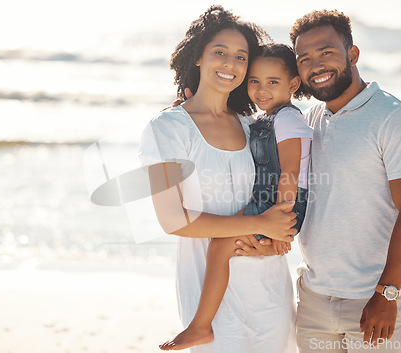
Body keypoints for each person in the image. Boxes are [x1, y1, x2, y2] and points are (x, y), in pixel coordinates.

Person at [267, 9, 401, 353]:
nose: (316, 65)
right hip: (313, 298)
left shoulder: (396, 119)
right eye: (304, 58)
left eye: (326, 52)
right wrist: (191, 110)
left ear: (352, 54)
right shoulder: (304, 121)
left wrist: (387, 293)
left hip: (375, 299)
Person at [138, 6, 297, 353]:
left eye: (241, 56)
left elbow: (282, 184)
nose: (230, 64)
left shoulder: (254, 125)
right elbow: (172, 220)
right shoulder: (166, 128)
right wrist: (258, 223)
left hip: (268, 282)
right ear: (198, 57)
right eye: (220, 52)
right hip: (208, 293)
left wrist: (279, 236)